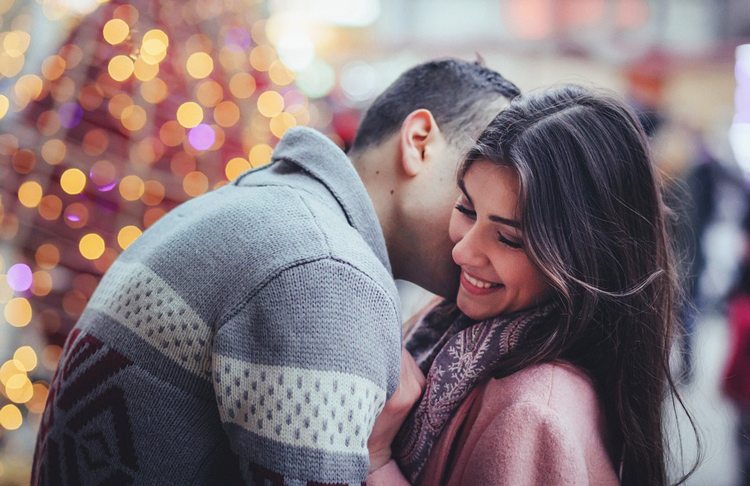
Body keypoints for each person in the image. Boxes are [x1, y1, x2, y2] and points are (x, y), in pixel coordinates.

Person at [30, 59, 520, 485]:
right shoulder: (326, 270)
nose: (487, 225)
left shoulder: (269, 207)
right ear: (418, 142)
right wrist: (377, 460)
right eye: (473, 188)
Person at [367, 85, 695, 485]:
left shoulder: (536, 412)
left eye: (509, 239)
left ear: (586, 257)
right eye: (467, 209)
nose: (463, 253)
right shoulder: (454, 326)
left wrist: (376, 458)